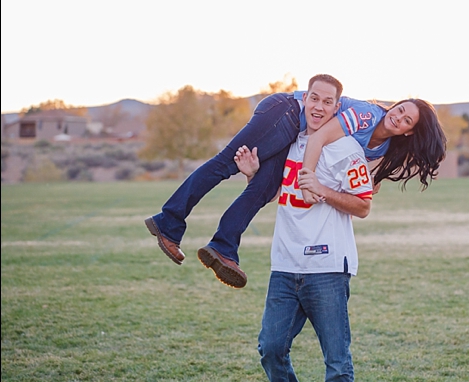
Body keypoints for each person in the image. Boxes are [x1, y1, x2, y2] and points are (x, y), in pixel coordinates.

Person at [145, 74, 446, 288]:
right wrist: (308, 179)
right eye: (401, 109)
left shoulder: (381, 148)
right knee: (225, 164)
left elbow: (364, 183)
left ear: (409, 132)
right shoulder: (366, 115)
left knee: (262, 190)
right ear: (395, 104)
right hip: (285, 111)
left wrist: (367, 184)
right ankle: (169, 221)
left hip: (293, 133)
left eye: (407, 120)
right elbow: (318, 139)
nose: (398, 117)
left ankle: (223, 247)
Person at [235, 75, 370, 382]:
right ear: (304, 100)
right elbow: (276, 193)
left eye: (327, 102)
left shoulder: (348, 150)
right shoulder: (288, 142)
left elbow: (364, 205)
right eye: (314, 98)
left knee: (337, 361)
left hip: (326, 267)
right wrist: (254, 175)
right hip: (284, 264)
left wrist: (322, 190)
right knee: (271, 349)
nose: (319, 107)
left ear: (337, 108)